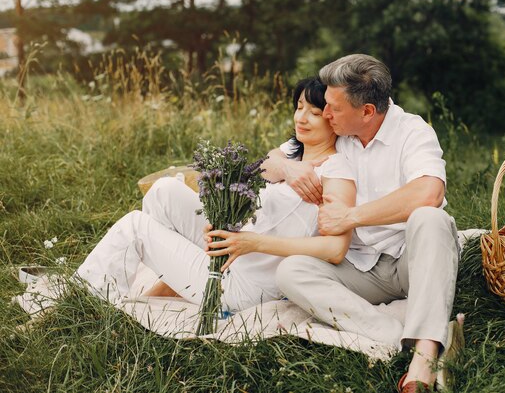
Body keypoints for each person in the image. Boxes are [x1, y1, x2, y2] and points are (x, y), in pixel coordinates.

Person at [75, 77, 356, 314]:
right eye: (298, 107)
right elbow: (266, 165)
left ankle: (84, 304)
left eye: (314, 113)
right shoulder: (293, 152)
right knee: (164, 191)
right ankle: (171, 278)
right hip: (230, 252)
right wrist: (288, 168)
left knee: (135, 226)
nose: (301, 118)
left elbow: (335, 250)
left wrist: (253, 242)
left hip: (245, 284)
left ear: (333, 118)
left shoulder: (336, 171)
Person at [263, 55, 460, 392]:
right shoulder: (340, 131)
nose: (324, 114)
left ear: (367, 111)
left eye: (332, 109)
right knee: (291, 271)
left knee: (431, 217)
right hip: (359, 267)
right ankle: (392, 331)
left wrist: (352, 216)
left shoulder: (411, 132)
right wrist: (289, 168)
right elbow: (271, 159)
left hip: (411, 261)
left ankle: (424, 356)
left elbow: (429, 190)